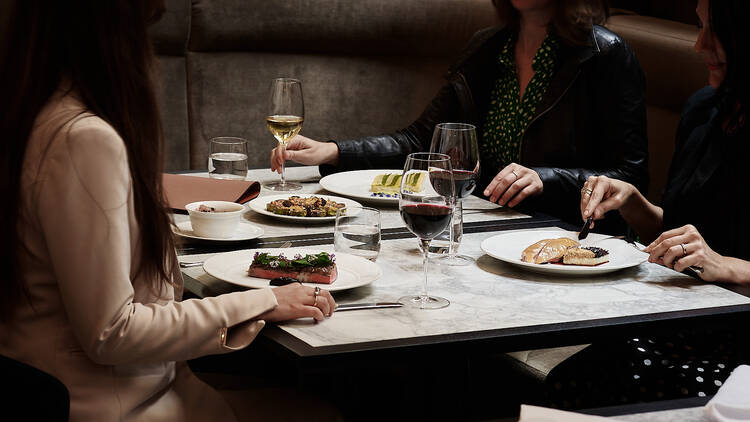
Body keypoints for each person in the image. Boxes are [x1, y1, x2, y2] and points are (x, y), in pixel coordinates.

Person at [0, 1, 337, 421]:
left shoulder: (31, 111)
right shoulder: (83, 138)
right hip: (113, 404)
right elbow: (112, 332)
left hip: (84, 385)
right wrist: (261, 301)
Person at [270, 0, 649, 230]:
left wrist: (546, 180)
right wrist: (333, 151)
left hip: (562, 234)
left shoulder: (605, 55)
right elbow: (422, 142)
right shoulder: (487, 47)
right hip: (482, 228)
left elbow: (630, 177)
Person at [544, 0, 750, 409]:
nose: (698, 45)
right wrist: (634, 203)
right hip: (683, 327)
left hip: (740, 351)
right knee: (567, 383)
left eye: (715, 31)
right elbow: (682, 241)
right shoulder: (704, 111)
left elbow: (714, 258)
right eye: (699, 26)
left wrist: (733, 266)